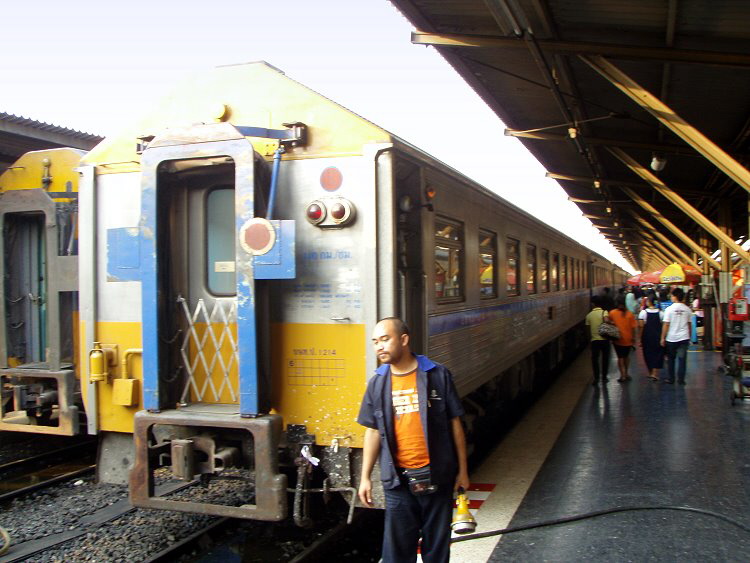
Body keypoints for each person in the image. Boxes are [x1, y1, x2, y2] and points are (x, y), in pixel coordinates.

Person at [357, 317, 469, 563]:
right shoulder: (377, 383)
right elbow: (373, 430)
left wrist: (462, 471)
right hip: (398, 482)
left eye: (385, 340)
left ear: (404, 340)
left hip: (437, 476)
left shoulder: (437, 375)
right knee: (396, 553)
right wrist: (365, 477)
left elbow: (455, 424)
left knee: (437, 550)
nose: (379, 347)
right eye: (375, 342)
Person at [660, 287, 692, 384]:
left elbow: (666, 324)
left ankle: (671, 378)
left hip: (671, 338)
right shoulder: (687, 309)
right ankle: (681, 380)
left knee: (671, 360)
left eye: (672, 295)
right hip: (684, 338)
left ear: (675, 297)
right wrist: (689, 336)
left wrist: (662, 338)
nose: (671, 297)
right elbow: (689, 325)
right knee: (682, 360)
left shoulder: (669, 309)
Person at [609, 295, 637, 382]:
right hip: (628, 339)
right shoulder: (630, 314)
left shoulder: (612, 313)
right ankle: (627, 373)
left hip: (617, 339)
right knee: (626, 357)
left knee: (620, 357)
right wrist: (633, 338)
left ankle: (622, 375)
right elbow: (633, 328)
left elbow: (609, 324)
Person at [585, 296, 611, 386]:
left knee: (595, 360)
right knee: (605, 358)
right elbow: (607, 321)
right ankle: (604, 377)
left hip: (594, 341)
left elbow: (587, 330)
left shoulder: (589, 315)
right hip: (605, 340)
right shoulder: (604, 312)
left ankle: (596, 378)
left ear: (593, 304)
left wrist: (589, 341)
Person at [638, 295, 664, 381]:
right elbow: (663, 325)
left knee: (648, 354)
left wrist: (640, 338)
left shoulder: (643, 313)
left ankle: (651, 372)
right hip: (657, 336)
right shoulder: (661, 313)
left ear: (648, 302)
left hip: (647, 336)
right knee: (657, 354)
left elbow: (641, 326)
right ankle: (655, 373)